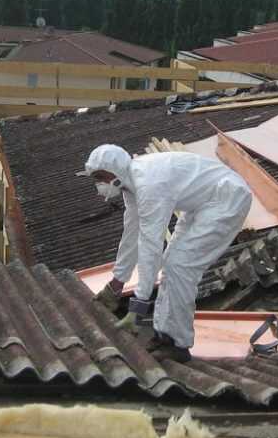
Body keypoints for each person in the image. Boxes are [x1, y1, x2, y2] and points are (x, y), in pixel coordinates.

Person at [78, 144, 252, 362]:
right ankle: (164, 336)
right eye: (96, 179)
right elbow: (131, 234)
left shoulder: (149, 184)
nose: (99, 184)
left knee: (180, 266)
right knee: (172, 263)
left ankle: (178, 344)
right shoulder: (131, 185)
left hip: (227, 198)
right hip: (202, 204)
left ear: (116, 170)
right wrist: (117, 282)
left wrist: (139, 302)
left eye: (101, 177)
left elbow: (150, 244)